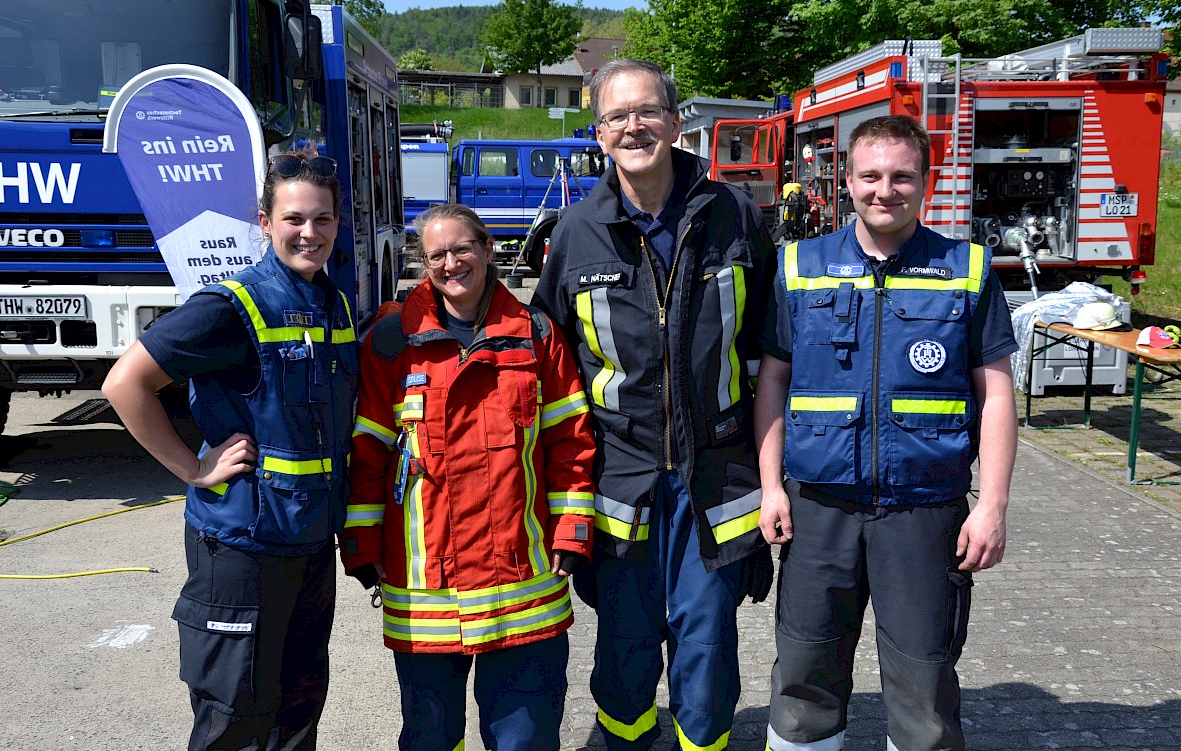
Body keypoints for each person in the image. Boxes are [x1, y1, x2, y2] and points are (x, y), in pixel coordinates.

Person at [532, 58, 777, 751]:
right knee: (625, 656)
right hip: (619, 482)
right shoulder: (575, 233)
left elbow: (772, 349)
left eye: (646, 112)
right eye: (617, 116)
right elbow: (551, 369)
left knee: (706, 656)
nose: (633, 126)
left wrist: (773, 474)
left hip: (717, 481)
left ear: (674, 124)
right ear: (600, 134)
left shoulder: (733, 216)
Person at [755, 115, 1019, 751]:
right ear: (846, 181)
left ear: (926, 182)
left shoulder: (968, 269)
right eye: (870, 175)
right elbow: (772, 386)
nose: (886, 190)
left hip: (925, 511)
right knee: (803, 681)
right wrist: (771, 487)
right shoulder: (798, 265)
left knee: (924, 688)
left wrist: (992, 506)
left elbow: (998, 395)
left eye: (902, 176)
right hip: (820, 508)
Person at [101, 151, 357, 751]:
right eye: (294, 219)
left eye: (322, 219)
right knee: (235, 717)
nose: (309, 233)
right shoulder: (231, 306)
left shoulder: (334, 304)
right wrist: (193, 468)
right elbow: (124, 384)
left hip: (311, 543)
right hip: (241, 549)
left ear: (338, 224)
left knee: (298, 711)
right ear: (265, 223)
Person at [341, 204, 596, 751]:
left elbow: (569, 443)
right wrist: (362, 543)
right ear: (423, 263)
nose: (451, 263)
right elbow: (368, 454)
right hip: (425, 594)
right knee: (431, 739)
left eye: (462, 249)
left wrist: (573, 528)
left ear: (487, 249)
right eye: (436, 255)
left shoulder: (536, 336)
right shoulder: (391, 342)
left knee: (526, 740)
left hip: (522, 589)